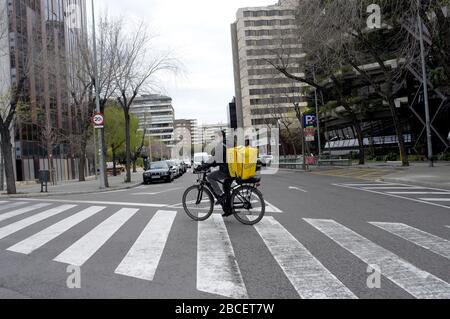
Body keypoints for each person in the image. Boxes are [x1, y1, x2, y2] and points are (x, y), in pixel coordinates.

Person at [199, 130, 234, 217]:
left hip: (226, 170)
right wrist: (208, 164)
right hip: (232, 169)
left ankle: (221, 196)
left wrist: (204, 166)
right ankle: (228, 209)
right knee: (226, 187)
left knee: (210, 177)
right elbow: (216, 159)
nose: (215, 139)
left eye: (216, 137)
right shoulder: (226, 144)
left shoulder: (221, 146)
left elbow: (215, 159)